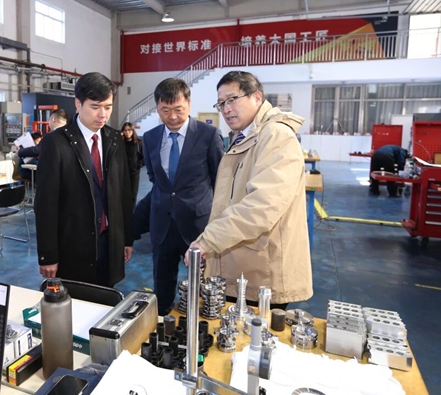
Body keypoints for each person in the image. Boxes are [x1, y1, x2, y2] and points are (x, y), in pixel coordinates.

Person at [187, 71, 312, 310]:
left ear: (256, 97)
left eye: (232, 99)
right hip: (245, 266)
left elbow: (261, 206)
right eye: (221, 103)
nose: (226, 109)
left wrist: (208, 240)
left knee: (254, 332)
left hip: (263, 273)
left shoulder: (276, 136)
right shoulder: (246, 135)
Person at [35, 72, 134, 287]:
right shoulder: (56, 143)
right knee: (77, 299)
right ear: (78, 104)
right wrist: (48, 254)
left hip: (109, 242)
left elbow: (123, 193)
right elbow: (45, 204)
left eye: (108, 107)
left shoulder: (114, 139)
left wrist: (126, 238)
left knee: (107, 297)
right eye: (95, 106)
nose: (103, 114)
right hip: (74, 244)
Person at [137, 77, 224, 316]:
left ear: (189, 104)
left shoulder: (209, 135)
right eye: (165, 110)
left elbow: (220, 180)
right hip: (162, 224)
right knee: (162, 283)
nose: (173, 117)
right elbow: (154, 177)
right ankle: (162, 320)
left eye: (178, 109)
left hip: (197, 225)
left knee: (202, 287)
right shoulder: (150, 138)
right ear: (157, 108)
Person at [121, 122, 144, 208]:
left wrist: (137, 165)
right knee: (123, 193)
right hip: (122, 173)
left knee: (133, 194)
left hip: (134, 173)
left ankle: (131, 212)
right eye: (125, 130)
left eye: (129, 130)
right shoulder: (120, 143)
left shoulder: (138, 143)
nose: (127, 132)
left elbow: (144, 157)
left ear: (133, 131)